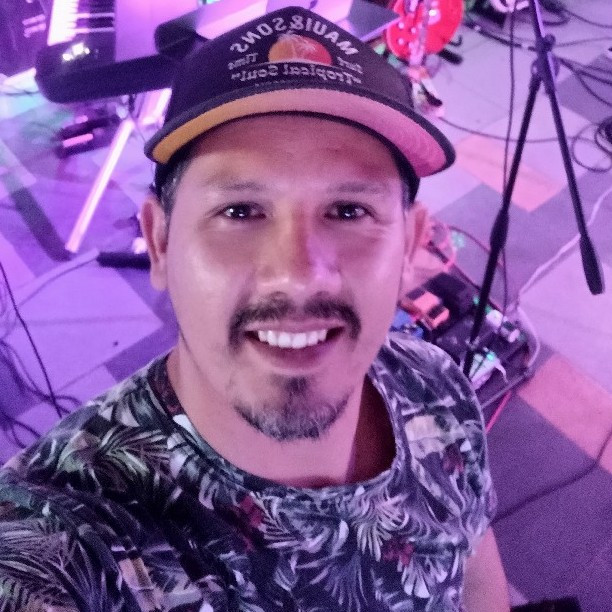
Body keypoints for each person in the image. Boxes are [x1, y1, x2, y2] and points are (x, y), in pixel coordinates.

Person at [0, 7, 509, 611]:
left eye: (349, 211)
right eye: (240, 211)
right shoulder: (69, 537)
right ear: (160, 242)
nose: (297, 272)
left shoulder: (438, 388)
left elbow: (477, 579)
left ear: (409, 245)